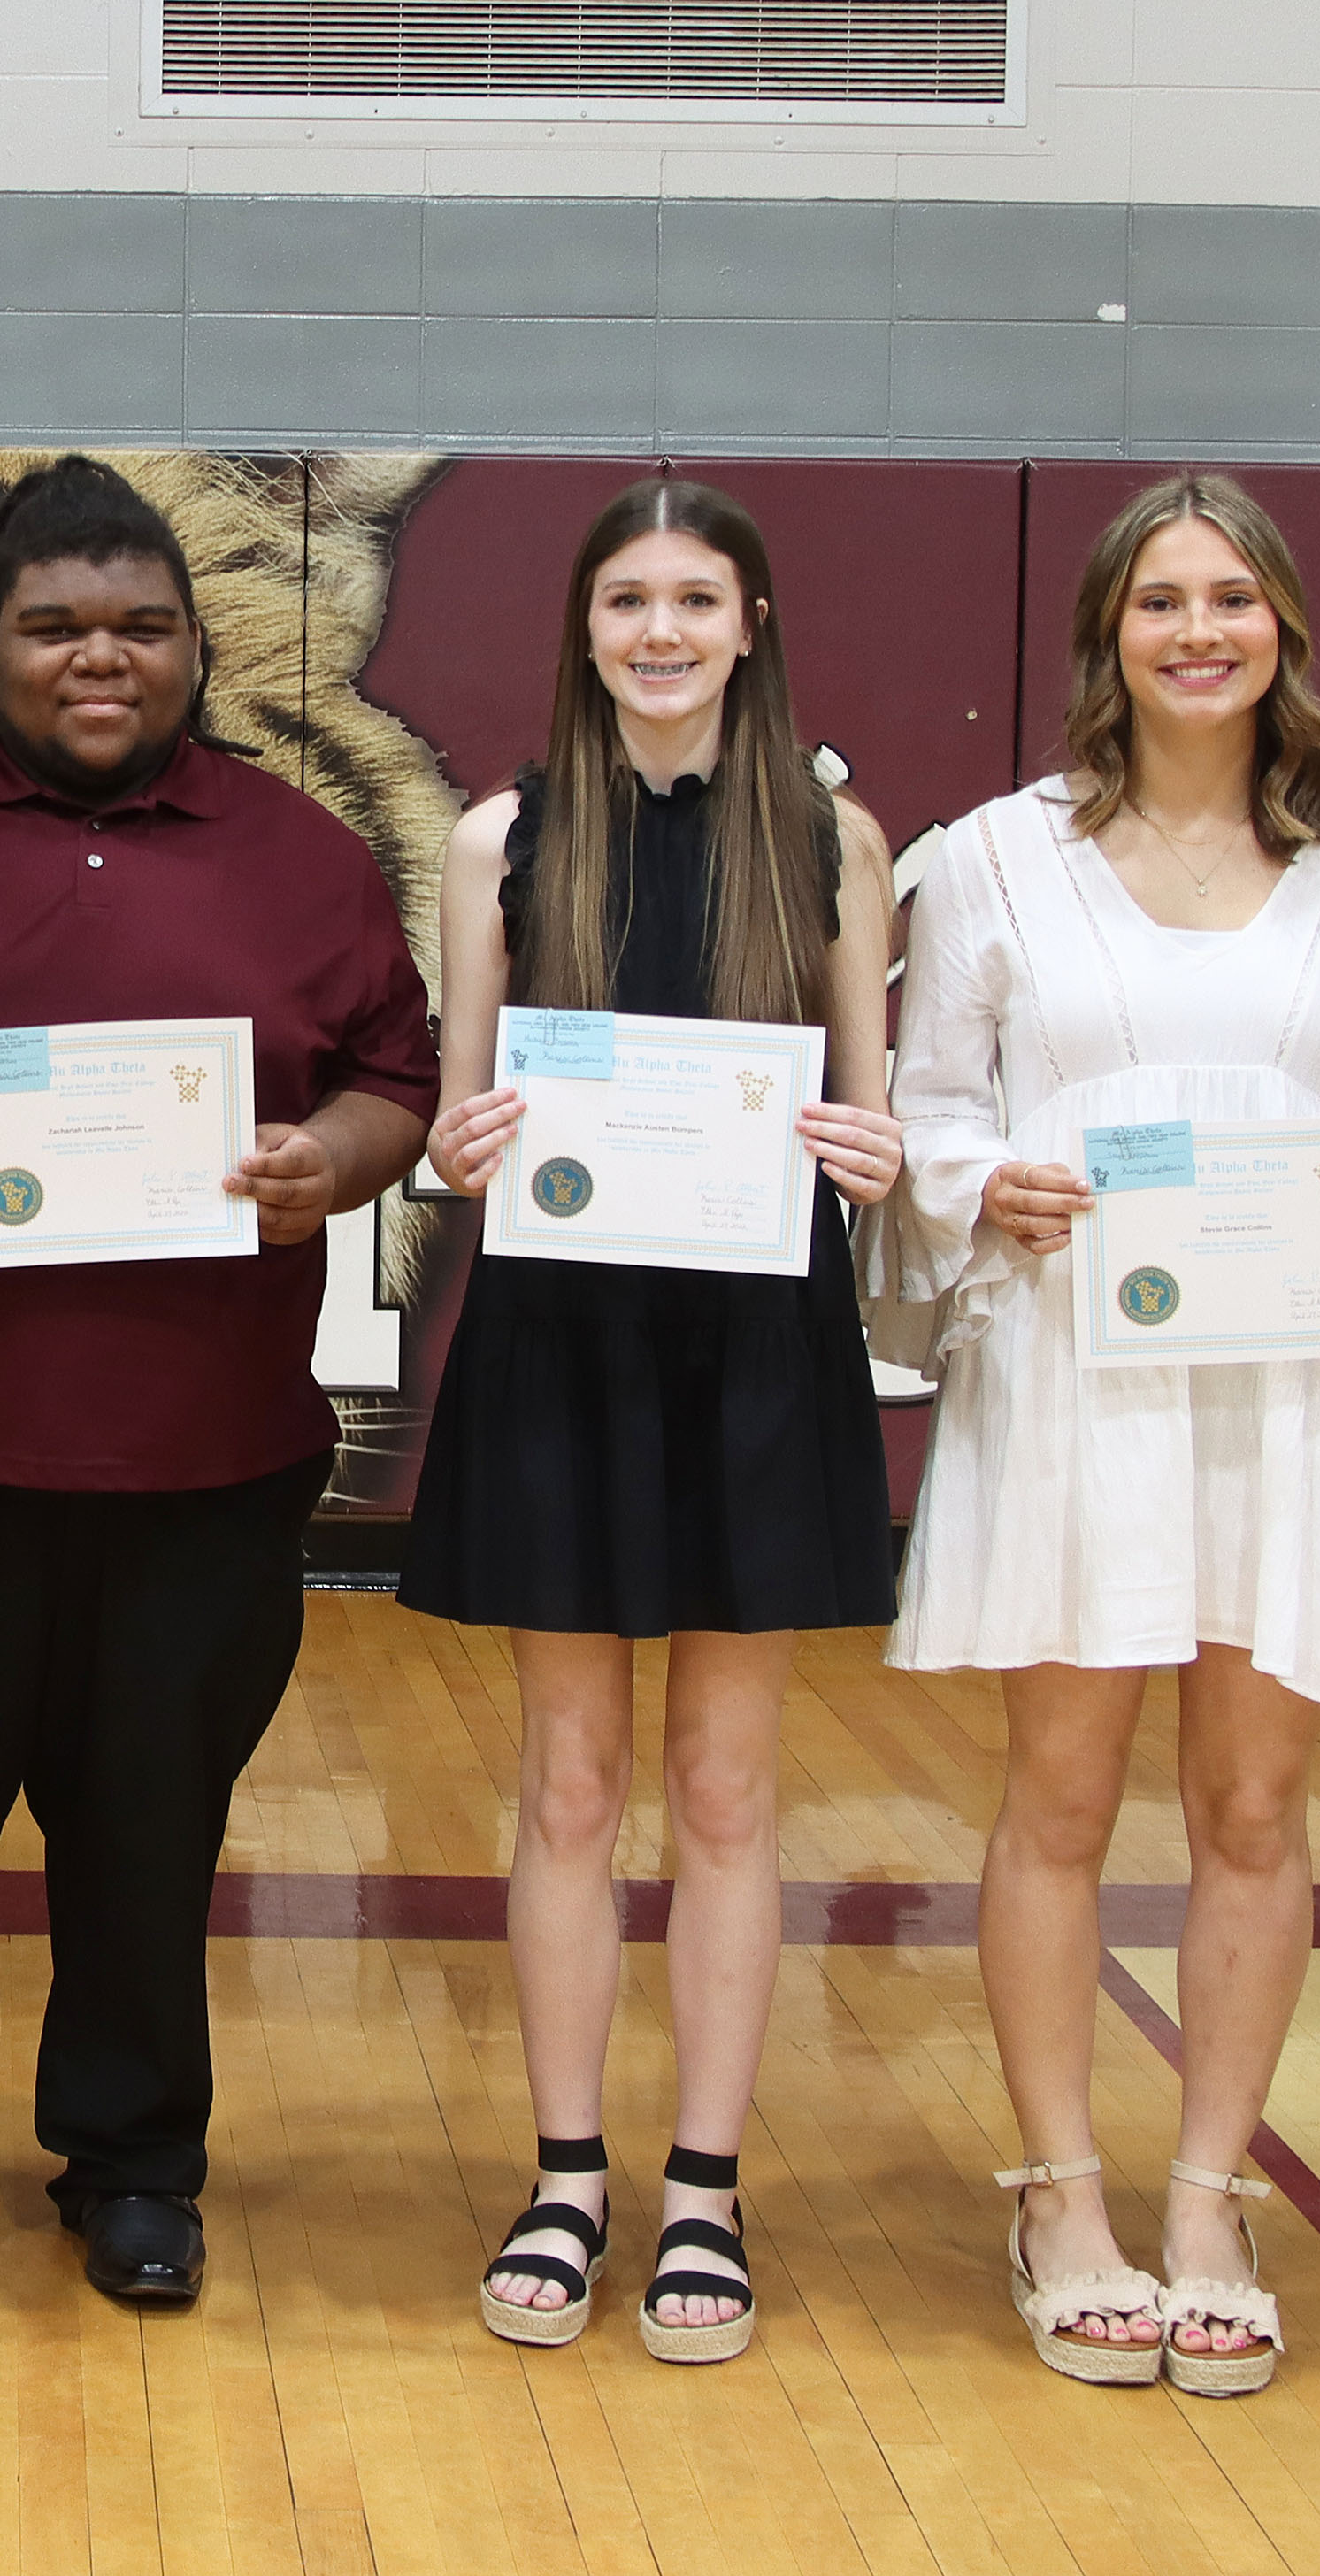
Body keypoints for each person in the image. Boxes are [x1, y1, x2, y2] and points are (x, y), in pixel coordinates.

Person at [0, 458, 439, 2332]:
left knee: (149, 1841)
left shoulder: (299, 853)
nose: (98, 659)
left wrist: (330, 1163)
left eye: (138, 628)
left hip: (201, 1467)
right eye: (56, 627)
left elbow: (394, 1076)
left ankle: (135, 2165)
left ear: (193, 648)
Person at [872, 473, 1320, 2397]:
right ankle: (1059, 2189)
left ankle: (1209, 2191)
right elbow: (928, 1117)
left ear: (1285, 626)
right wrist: (990, 1185)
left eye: (1233, 598)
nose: (1198, 630)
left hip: (1287, 1384)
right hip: (1076, 1369)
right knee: (1061, 1794)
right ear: (1106, 638)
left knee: (1255, 1806)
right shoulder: (988, 857)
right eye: (1161, 602)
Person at [402, 479, 903, 2365]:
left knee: (723, 1788)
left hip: (760, 1345)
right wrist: (467, 1144)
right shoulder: (501, 841)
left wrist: (877, 1146)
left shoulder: (835, 836)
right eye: (631, 598)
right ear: (586, 627)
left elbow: (875, 1118)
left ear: (755, 622)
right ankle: (564, 2169)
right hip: (562, 1341)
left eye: (699, 596)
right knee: (570, 1780)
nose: (664, 628)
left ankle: (704, 2185)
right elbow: (464, 1124)